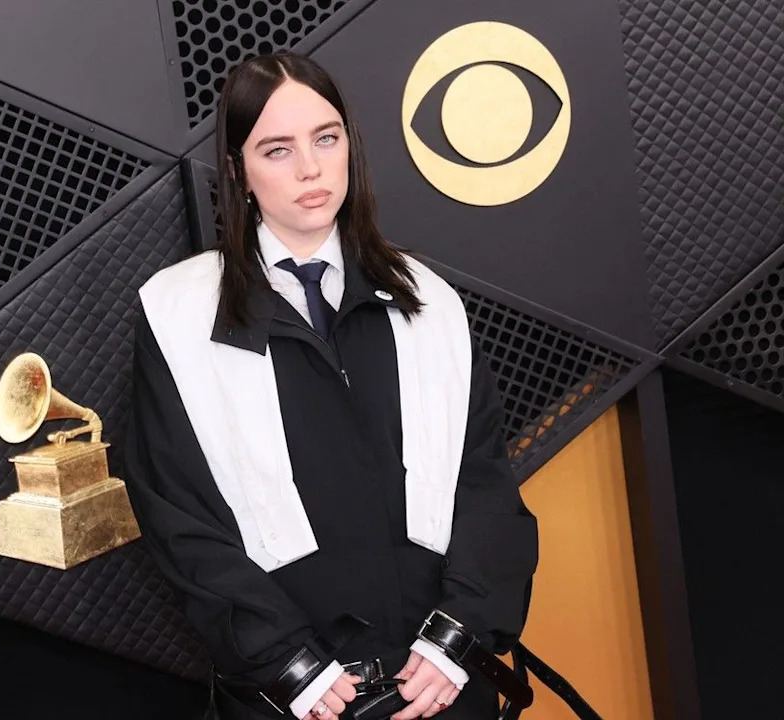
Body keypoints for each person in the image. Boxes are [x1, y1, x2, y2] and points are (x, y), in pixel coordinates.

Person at [123, 52, 538, 720]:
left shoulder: (428, 301)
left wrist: (456, 637)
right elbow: (179, 518)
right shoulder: (177, 313)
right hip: (292, 701)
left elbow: (485, 483)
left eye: (326, 138)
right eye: (277, 149)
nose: (311, 169)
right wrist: (285, 661)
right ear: (238, 170)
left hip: (435, 688)